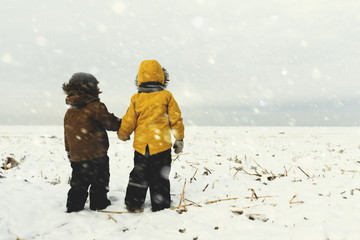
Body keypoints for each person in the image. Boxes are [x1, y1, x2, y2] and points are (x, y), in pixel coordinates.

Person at [118, 60, 185, 212]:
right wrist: (179, 138)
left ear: (140, 78)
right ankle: (160, 204)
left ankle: (133, 203)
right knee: (160, 177)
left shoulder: (137, 98)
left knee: (139, 175)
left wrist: (123, 134)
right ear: (162, 77)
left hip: (142, 147)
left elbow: (129, 119)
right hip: (161, 146)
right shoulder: (166, 96)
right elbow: (176, 118)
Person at [63, 72, 121, 213]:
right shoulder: (95, 107)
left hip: (77, 156)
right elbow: (110, 123)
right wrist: (123, 124)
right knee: (100, 182)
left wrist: (69, 151)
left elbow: (67, 134)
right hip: (96, 155)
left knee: (78, 183)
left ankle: (74, 205)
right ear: (92, 88)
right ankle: (99, 203)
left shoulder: (70, 111)